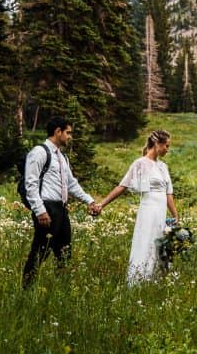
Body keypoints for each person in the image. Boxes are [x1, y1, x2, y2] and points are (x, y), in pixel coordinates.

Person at [91, 129, 178, 285]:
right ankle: (139, 280)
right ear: (157, 144)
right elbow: (122, 186)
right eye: (167, 146)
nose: (168, 150)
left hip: (160, 212)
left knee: (160, 244)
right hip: (148, 210)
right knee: (146, 242)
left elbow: (168, 193)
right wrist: (102, 204)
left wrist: (175, 216)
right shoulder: (140, 164)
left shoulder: (163, 167)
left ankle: (156, 281)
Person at [22, 115, 97, 288]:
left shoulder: (62, 157)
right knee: (40, 251)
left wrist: (90, 201)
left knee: (64, 252)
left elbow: (71, 184)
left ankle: (61, 289)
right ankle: (26, 289)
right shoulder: (39, 152)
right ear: (58, 132)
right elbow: (30, 184)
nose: (70, 137)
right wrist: (40, 211)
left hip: (61, 209)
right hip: (47, 208)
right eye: (68, 133)